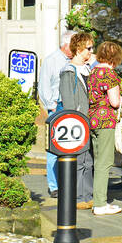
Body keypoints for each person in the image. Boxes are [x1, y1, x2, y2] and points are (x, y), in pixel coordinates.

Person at [86, 40, 122, 216]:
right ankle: (100, 204)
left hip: (93, 119)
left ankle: (99, 200)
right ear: (115, 58)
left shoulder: (94, 71)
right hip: (106, 122)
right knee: (105, 162)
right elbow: (114, 101)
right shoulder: (109, 75)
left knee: (98, 161)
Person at [57, 32, 96, 209]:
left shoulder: (87, 69)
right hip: (77, 123)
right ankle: (78, 197)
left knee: (88, 160)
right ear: (79, 49)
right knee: (79, 161)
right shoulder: (68, 72)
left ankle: (88, 195)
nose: (91, 52)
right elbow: (68, 101)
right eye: (88, 48)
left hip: (88, 121)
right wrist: (75, 120)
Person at [38, 30, 75, 196]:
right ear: (66, 45)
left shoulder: (74, 60)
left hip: (70, 105)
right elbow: (44, 85)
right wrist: (51, 106)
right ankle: (54, 186)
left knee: (70, 144)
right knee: (54, 146)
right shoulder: (51, 61)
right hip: (57, 105)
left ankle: (68, 181)